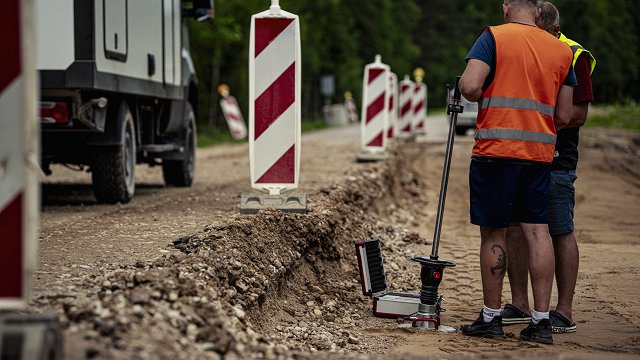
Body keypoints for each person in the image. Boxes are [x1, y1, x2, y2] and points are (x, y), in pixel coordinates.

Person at [458, 0, 576, 344]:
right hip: (539, 154)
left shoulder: (493, 37)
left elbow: (469, 87)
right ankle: (541, 322)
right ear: (537, 10)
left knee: (494, 233)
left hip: (496, 151)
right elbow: (565, 114)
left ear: (507, 5)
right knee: (538, 232)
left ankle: (492, 318)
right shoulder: (559, 50)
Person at [501, 0, 596, 334]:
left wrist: (538, 121)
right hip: (522, 153)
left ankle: (564, 310)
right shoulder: (526, 43)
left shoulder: (573, 54)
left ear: (555, 30)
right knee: (514, 228)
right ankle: (519, 304)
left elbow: (579, 114)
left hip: (556, 160)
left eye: (540, 33)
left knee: (558, 228)